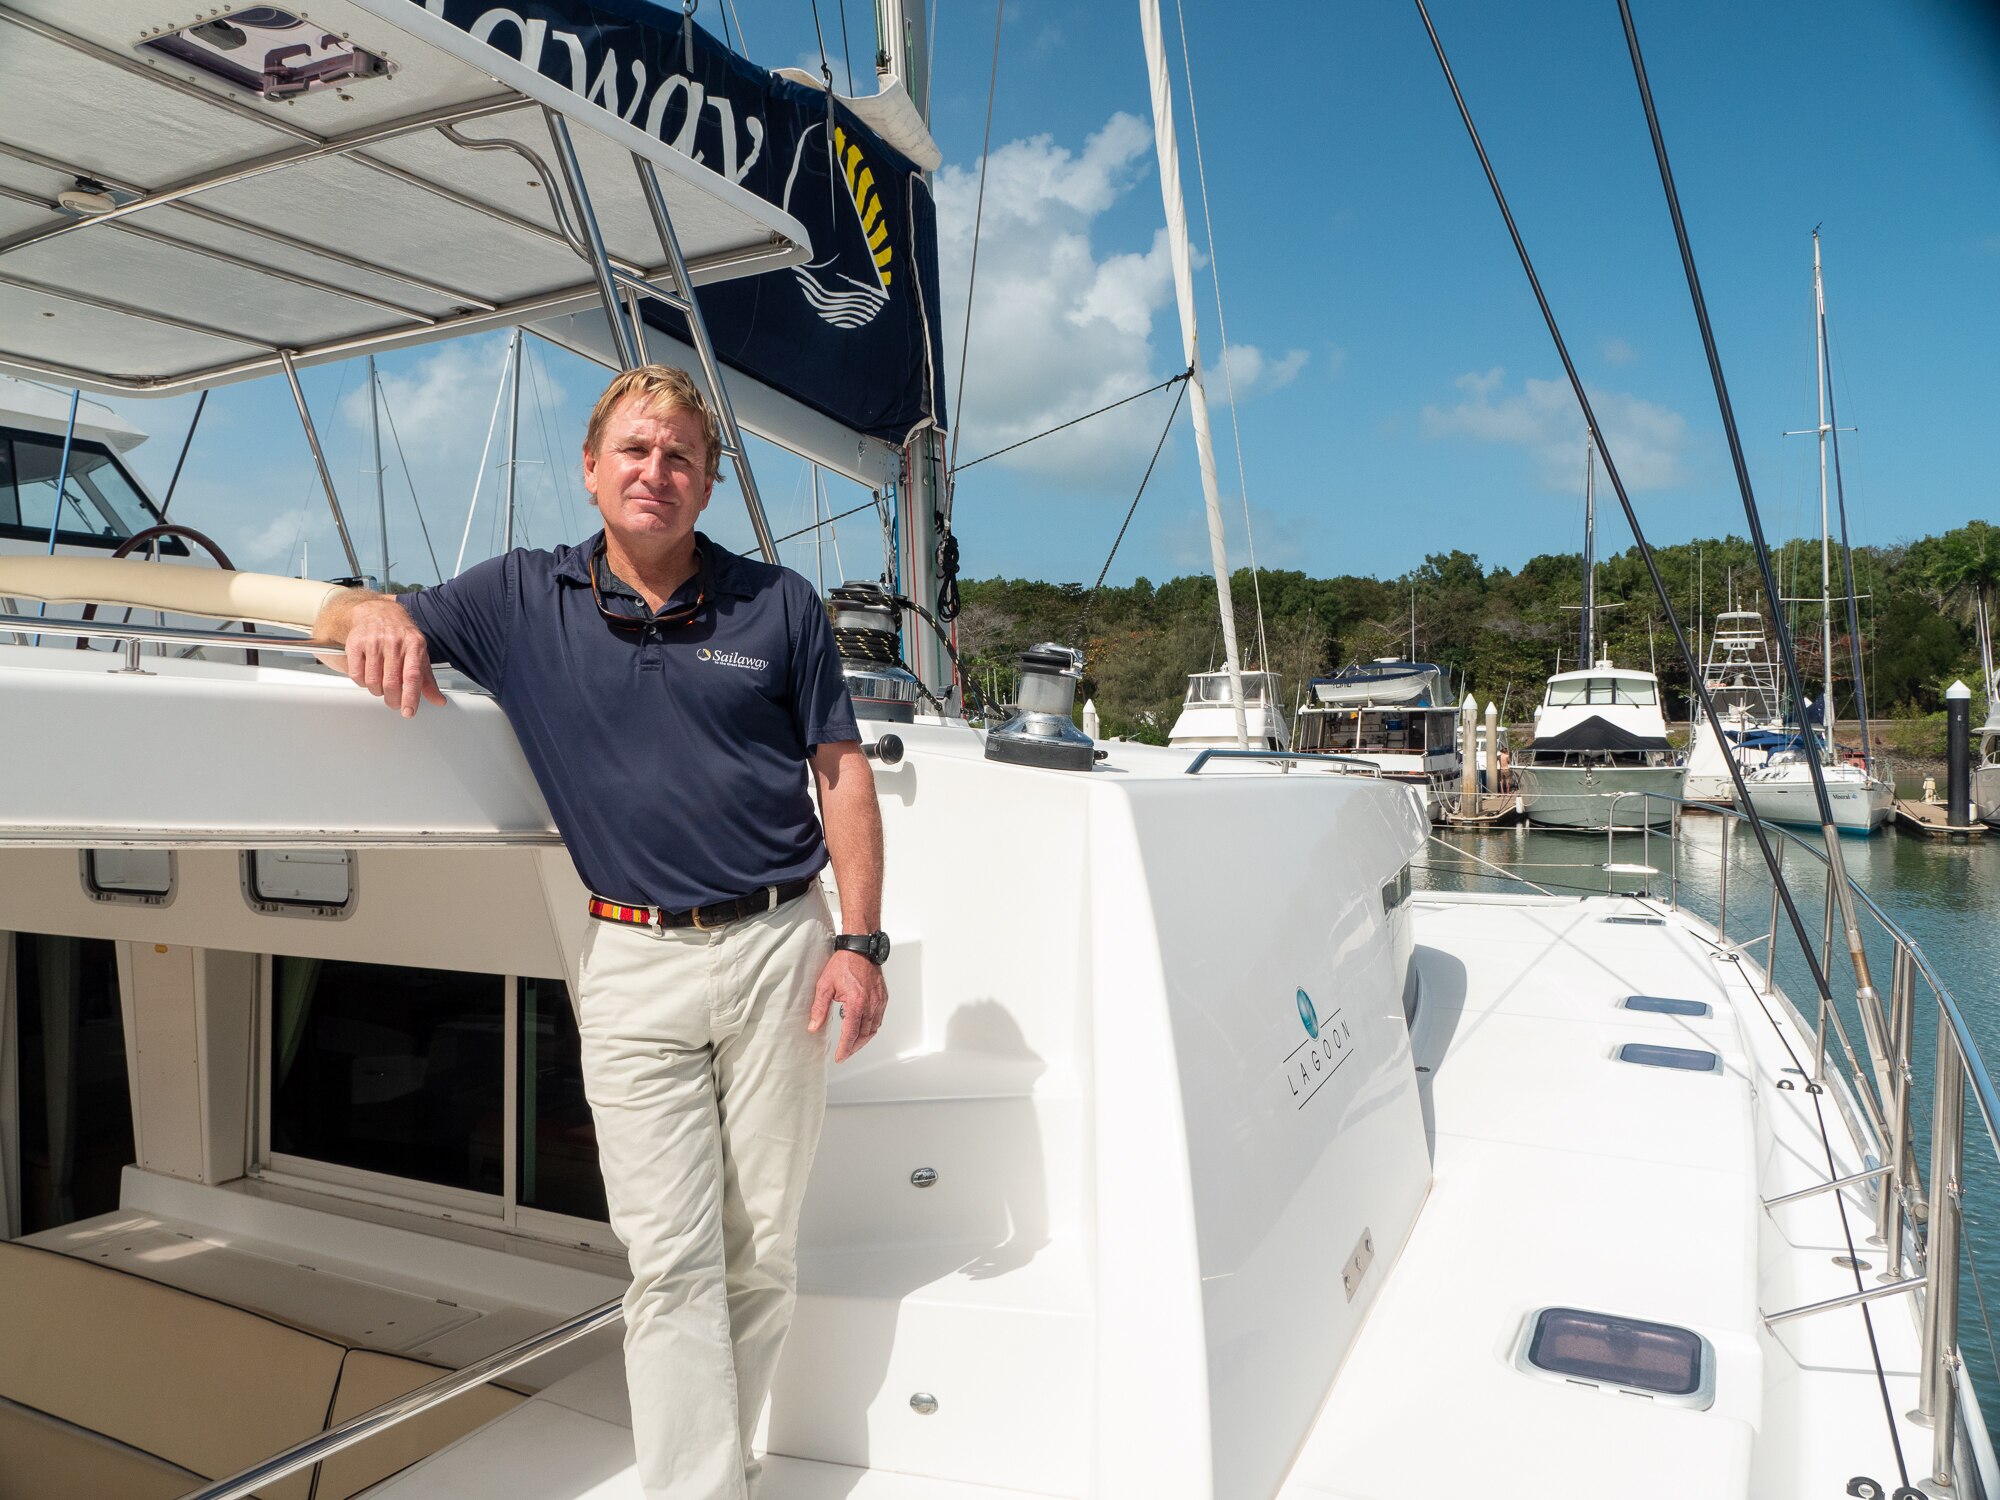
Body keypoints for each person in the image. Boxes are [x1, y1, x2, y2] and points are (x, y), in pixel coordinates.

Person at [313, 364, 889, 1500]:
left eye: (679, 457)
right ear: (590, 469)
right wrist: (368, 613)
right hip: (630, 961)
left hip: (781, 944)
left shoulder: (779, 605)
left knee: (761, 1249)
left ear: (707, 485)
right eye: (634, 450)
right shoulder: (518, 598)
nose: (654, 472)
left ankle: (720, 1466)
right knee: (670, 1260)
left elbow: (842, 772)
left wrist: (858, 944)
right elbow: (341, 615)